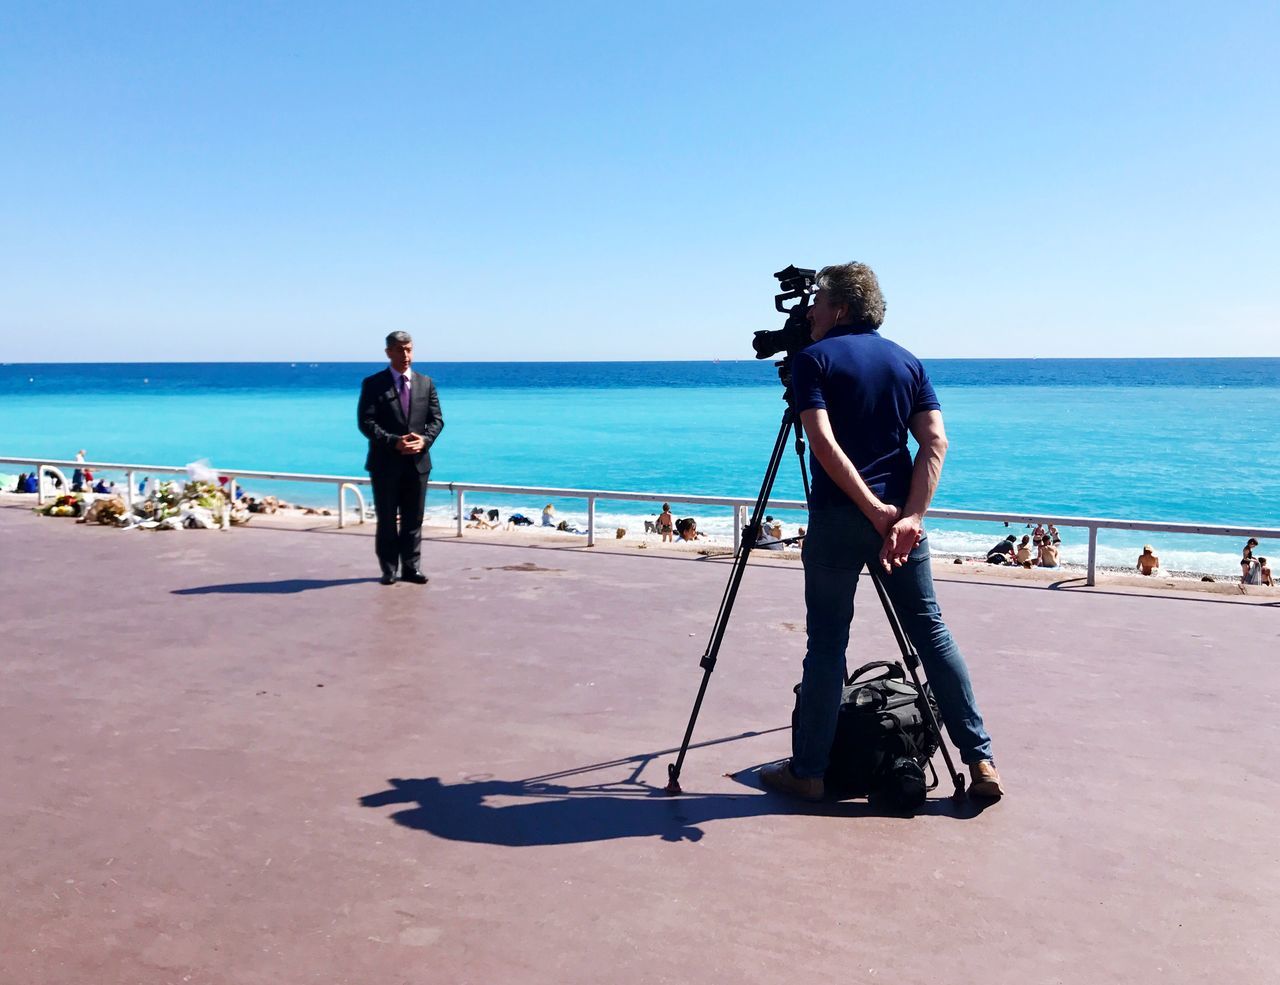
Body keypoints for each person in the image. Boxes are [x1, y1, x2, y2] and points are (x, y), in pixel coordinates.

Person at [759, 261, 1002, 802]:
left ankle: (811, 771)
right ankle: (981, 761)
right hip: (901, 527)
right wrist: (910, 517)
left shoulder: (813, 361)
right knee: (932, 635)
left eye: (818, 302)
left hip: (841, 519)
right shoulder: (908, 361)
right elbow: (935, 441)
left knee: (827, 644)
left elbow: (820, 442)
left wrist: (870, 508)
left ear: (840, 308)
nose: (810, 312)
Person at [357, 330, 444, 586]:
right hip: (385, 464)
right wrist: (394, 441)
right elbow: (366, 422)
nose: (406, 355)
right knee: (386, 519)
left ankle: (411, 567)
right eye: (400, 349)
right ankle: (388, 569)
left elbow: (437, 420)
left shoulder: (425, 383)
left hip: (418, 464)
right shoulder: (373, 384)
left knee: (413, 518)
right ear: (389, 352)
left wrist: (424, 440)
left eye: (409, 349)